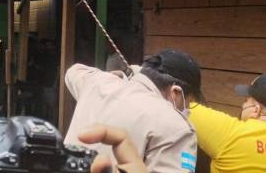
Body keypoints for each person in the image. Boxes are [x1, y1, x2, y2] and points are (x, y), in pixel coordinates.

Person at [64, 50, 201, 172]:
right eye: (188, 103)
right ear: (176, 92)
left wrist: (120, 75)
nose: (187, 109)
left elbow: (73, 71)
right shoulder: (178, 127)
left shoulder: (96, 82)